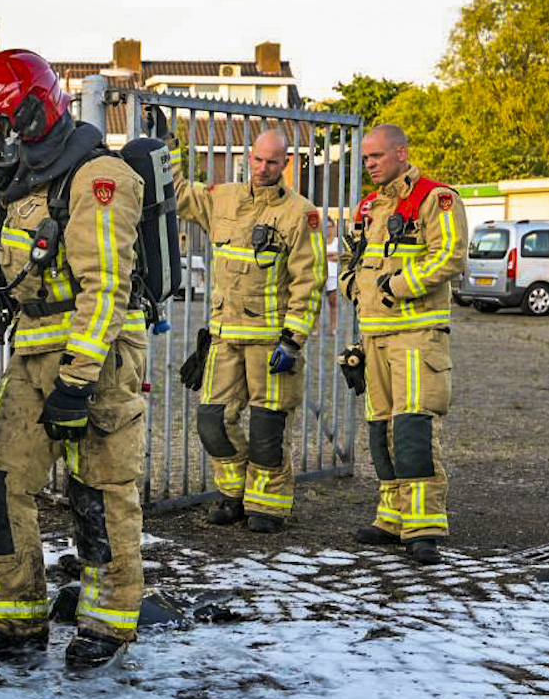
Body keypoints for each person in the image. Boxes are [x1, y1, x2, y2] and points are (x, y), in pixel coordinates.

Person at [0, 42, 149, 671]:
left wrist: (78, 382)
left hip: (99, 356)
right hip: (35, 356)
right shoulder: (27, 182)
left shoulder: (97, 180)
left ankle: (108, 621)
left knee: (100, 491)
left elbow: (106, 287)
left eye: (3, 127)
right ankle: (13, 614)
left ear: (33, 117)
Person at [169, 126, 325, 532]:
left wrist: (293, 340)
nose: (263, 168)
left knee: (267, 430)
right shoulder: (222, 199)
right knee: (211, 421)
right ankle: (234, 493)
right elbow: (181, 194)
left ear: (286, 164)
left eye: (273, 161)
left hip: (271, 344)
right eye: (258, 159)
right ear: (248, 157)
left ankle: (267, 506)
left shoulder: (299, 214)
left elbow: (309, 281)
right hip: (224, 337)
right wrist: (164, 150)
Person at [346, 123, 467, 564]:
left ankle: (424, 526)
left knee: (413, 430)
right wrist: (351, 287)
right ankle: (391, 518)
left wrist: (398, 285)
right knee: (381, 430)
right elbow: (353, 258)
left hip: (418, 333)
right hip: (375, 333)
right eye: (365, 158)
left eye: (376, 156)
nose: (370, 164)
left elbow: (451, 255)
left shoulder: (437, 198)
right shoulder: (367, 207)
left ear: (401, 152)